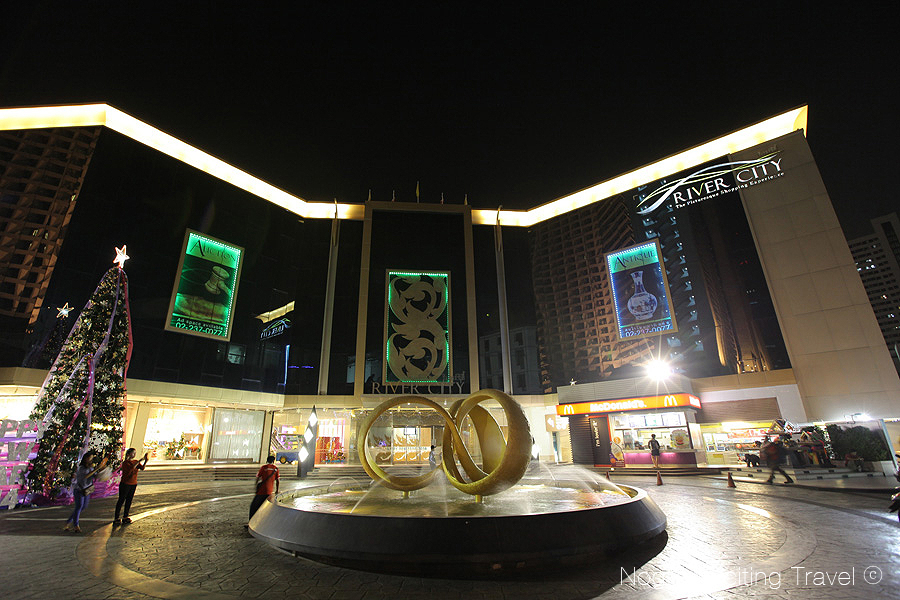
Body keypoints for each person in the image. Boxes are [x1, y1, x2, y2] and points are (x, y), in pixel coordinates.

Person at [64, 451, 108, 533]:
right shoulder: (81, 468)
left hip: (87, 490)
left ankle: (68, 522)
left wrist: (102, 471)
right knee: (79, 506)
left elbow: (95, 477)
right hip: (79, 490)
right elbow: (85, 476)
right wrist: (96, 469)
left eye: (92, 458)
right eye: (89, 458)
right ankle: (76, 525)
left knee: (83, 507)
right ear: (85, 458)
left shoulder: (91, 468)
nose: (91, 460)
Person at [114, 448, 148, 524]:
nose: (134, 454)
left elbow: (142, 468)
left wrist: (145, 461)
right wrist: (139, 461)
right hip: (125, 483)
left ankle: (125, 516)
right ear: (129, 454)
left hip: (133, 483)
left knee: (129, 500)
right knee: (121, 500)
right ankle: (116, 517)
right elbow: (131, 468)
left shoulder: (135, 461)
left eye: (135, 453)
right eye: (133, 453)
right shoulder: (126, 463)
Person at [248, 455, 279, 525]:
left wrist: (256, 486)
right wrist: (277, 490)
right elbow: (277, 481)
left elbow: (258, 477)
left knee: (254, 507)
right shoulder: (275, 469)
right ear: (273, 461)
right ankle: (266, 522)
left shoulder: (263, 467)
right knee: (267, 508)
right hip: (269, 492)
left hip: (261, 491)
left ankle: (251, 522)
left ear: (267, 460)